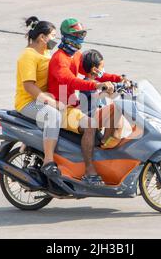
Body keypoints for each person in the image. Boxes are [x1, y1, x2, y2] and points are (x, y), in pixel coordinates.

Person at [48, 18, 127, 185]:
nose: (80, 38)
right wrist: (97, 84)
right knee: (90, 125)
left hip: (74, 105)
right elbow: (70, 81)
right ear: (67, 36)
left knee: (113, 112)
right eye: (77, 35)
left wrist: (119, 79)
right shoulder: (59, 59)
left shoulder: (75, 55)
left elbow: (95, 72)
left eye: (82, 34)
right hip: (61, 108)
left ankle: (103, 156)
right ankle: (90, 171)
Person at [15, 16, 64, 175]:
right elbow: (29, 86)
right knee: (53, 116)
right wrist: (50, 102)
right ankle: (48, 161)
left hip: (43, 97)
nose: (55, 39)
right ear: (42, 37)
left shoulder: (46, 51)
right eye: (53, 36)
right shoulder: (28, 55)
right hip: (28, 102)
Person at [81, 49, 124, 148]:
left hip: (95, 115)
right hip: (89, 117)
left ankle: (113, 137)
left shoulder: (96, 82)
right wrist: (105, 92)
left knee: (118, 110)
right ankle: (106, 140)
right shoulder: (88, 83)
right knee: (115, 108)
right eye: (102, 67)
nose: (103, 70)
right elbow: (95, 96)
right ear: (94, 70)